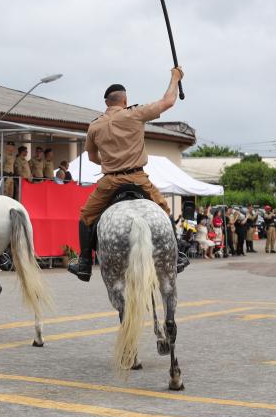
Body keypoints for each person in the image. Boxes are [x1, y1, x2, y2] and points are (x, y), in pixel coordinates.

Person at [69, 68, 188, 281]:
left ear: (106, 103)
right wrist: (175, 78)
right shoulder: (135, 114)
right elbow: (168, 101)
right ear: (125, 100)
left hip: (110, 181)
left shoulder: (95, 125)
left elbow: (91, 157)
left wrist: (109, 161)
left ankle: (84, 264)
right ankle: (177, 255)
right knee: (163, 210)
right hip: (137, 178)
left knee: (86, 216)